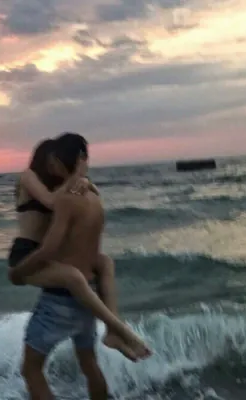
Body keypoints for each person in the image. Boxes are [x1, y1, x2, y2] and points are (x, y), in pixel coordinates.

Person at [10, 134, 151, 399]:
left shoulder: (63, 188)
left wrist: (82, 182)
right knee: (74, 278)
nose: (54, 166)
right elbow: (51, 203)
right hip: (26, 254)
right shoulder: (29, 177)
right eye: (51, 161)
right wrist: (79, 179)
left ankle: (114, 329)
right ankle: (119, 329)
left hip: (49, 257)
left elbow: (66, 214)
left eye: (57, 161)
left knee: (104, 262)